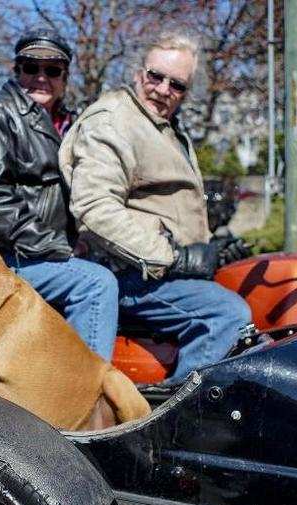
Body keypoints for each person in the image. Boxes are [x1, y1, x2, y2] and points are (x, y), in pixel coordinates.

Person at [59, 30, 252, 384]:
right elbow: (95, 207)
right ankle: (176, 426)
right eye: (155, 76)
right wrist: (175, 257)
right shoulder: (113, 121)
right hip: (129, 272)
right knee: (226, 315)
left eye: (176, 85)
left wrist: (211, 249)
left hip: (157, 271)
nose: (163, 90)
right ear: (138, 73)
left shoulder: (163, 127)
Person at [0, 28, 119, 360]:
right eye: (31, 67)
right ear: (17, 71)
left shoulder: (69, 123)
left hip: (45, 252)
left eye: (53, 70)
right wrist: (58, 247)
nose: (41, 77)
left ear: (65, 77)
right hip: (8, 258)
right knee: (97, 285)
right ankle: (82, 399)